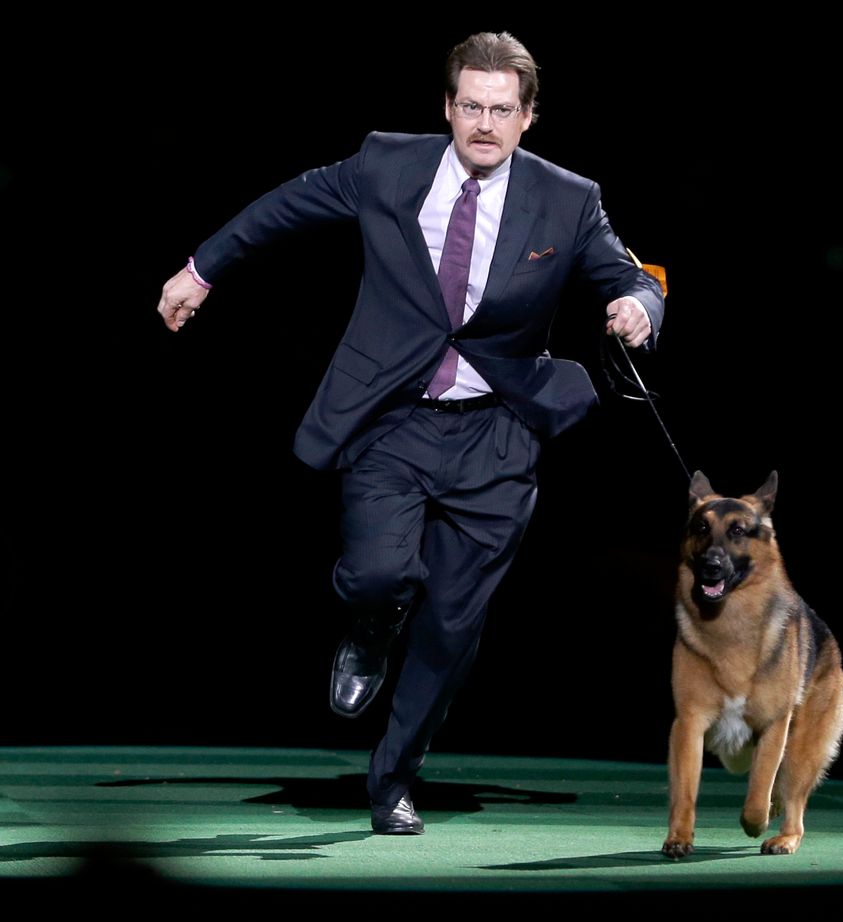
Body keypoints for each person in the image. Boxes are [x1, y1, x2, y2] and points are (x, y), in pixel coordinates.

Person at [155, 31, 664, 836]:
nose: (485, 124)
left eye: (502, 110)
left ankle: (393, 779)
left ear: (529, 117)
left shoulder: (568, 199)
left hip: (497, 432)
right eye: (471, 106)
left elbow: (633, 273)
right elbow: (287, 204)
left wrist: (641, 306)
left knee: (454, 625)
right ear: (448, 107)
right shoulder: (387, 165)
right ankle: (370, 624)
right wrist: (201, 269)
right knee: (375, 576)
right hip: (391, 417)